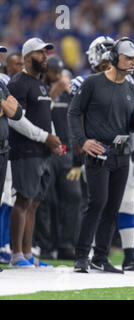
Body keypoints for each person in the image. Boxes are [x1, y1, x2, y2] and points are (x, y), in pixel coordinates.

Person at [68, 37, 134, 274]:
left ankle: (100, 257)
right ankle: (82, 256)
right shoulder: (93, 83)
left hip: (122, 155)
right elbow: (74, 113)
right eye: (129, 57)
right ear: (115, 58)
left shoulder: (131, 87)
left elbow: (130, 123)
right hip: (99, 153)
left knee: (112, 207)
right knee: (97, 203)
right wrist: (83, 142)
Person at [7, 38, 63, 268]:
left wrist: (54, 138)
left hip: (42, 152)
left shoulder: (40, 84)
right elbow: (15, 120)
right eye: (41, 53)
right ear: (29, 56)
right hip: (25, 150)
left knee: (34, 202)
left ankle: (28, 253)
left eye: (46, 53)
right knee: (23, 201)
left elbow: (44, 116)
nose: (45, 57)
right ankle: (16, 255)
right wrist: (44, 137)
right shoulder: (19, 83)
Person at [32, 55, 81, 260]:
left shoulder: (71, 95)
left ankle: (67, 245)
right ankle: (45, 245)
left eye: (62, 74)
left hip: (67, 153)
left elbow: (80, 123)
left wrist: (79, 160)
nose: (60, 77)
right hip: (46, 152)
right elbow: (38, 114)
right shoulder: (41, 91)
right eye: (56, 73)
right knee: (44, 200)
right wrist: (55, 92)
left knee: (73, 197)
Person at [0, 45, 24, 271]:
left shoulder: (1, 82)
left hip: (4, 150)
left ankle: (2, 246)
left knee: (3, 200)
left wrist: (6, 105)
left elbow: (16, 112)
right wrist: (7, 106)